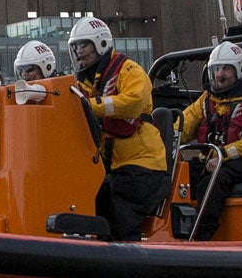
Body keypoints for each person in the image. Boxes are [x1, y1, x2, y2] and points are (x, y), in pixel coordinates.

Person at [67, 16, 168, 242]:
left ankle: (128, 269)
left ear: (101, 43)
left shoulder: (128, 70)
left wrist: (92, 106)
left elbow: (134, 101)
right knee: (90, 203)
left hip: (142, 164)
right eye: (75, 46)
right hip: (110, 165)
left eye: (84, 45)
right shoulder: (84, 83)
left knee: (121, 216)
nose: (79, 51)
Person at [177, 40, 242, 240]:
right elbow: (184, 125)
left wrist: (224, 154)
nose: (219, 74)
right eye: (216, 69)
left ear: (239, 69)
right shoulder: (207, 101)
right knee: (182, 173)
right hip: (214, 162)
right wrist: (166, 138)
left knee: (215, 180)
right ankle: (174, 230)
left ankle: (200, 236)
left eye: (225, 69)